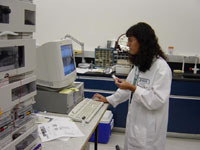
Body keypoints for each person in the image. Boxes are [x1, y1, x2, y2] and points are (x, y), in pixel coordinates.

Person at [93, 22, 172, 150]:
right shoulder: (140, 65)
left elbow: (157, 101)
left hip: (150, 132)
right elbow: (126, 89)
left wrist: (133, 88)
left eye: (130, 40)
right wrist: (108, 99)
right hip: (135, 126)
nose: (128, 44)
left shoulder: (161, 68)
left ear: (142, 42)